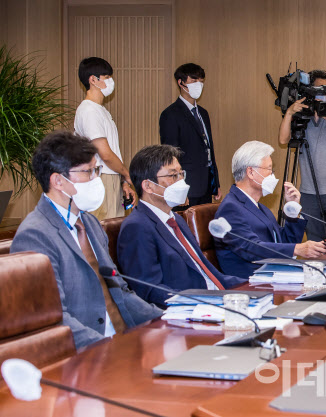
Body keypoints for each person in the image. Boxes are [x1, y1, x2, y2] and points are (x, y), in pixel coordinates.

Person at [10, 131, 162, 350]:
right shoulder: (35, 236)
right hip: (85, 353)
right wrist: (108, 347)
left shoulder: (89, 222)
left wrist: (166, 320)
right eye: (88, 172)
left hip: (125, 339)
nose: (95, 179)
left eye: (96, 170)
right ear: (58, 180)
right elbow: (53, 317)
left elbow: (121, 291)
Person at [117, 145, 245, 308]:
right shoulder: (137, 227)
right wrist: (205, 303)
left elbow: (209, 274)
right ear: (148, 186)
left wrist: (255, 287)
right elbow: (150, 291)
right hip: (190, 311)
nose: (181, 182)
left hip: (218, 301)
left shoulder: (176, 219)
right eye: (173, 176)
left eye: (181, 174)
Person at [215, 141, 326, 279]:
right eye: (269, 170)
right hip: (251, 282)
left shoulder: (260, 207)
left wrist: (292, 210)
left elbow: (284, 243)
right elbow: (251, 248)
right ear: (251, 172)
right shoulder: (230, 208)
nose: (273, 176)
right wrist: (298, 249)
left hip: (275, 274)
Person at [277, 69, 326, 241]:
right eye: (318, 89)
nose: (323, 94)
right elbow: (283, 140)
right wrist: (290, 113)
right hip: (308, 192)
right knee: (315, 244)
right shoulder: (301, 117)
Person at [74, 57, 136, 220]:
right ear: (93, 80)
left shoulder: (100, 110)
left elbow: (113, 151)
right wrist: (127, 174)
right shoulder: (89, 110)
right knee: (106, 232)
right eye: (107, 77)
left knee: (115, 228)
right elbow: (105, 154)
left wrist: (123, 180)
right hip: (101, 178)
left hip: (111, 177)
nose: (111, 81)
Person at [159, 63, 221, 208]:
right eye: (193, 81)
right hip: (187, 186)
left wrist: (215, 182)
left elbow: (209, 150)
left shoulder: (203, 113)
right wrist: (178, 188)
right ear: (181, 83)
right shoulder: (170, 115)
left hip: (206, 184)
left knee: (203, 227)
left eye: (201, 81)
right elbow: (170, 155)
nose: (198, 85)